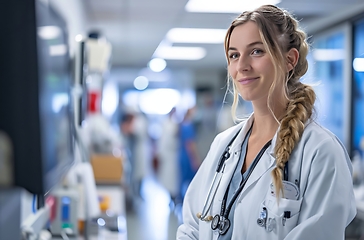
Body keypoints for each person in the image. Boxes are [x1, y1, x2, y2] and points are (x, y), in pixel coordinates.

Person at [176, 4, 356, 240]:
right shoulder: (224, 145)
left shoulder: (321, 151)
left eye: (257, 51)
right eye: (234, 55)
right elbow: (191, 226)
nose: (242, 66)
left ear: (290, 59)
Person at [156, 107, 180, 205]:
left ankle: (173, 196)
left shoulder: (174, 124)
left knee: (173, 178)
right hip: (167, 154)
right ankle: (171, 196)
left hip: (173, 154)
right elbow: (164, 140)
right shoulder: (166, 124)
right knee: (168, 177)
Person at [179, 107, 200, 201]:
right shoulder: (188, 126)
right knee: (191, 180)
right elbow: (190, 145)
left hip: (182, 155)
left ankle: (182, 198)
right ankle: (189, 200)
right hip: (188, 157)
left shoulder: (183, 124)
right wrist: (195, 159)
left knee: (183, 179)